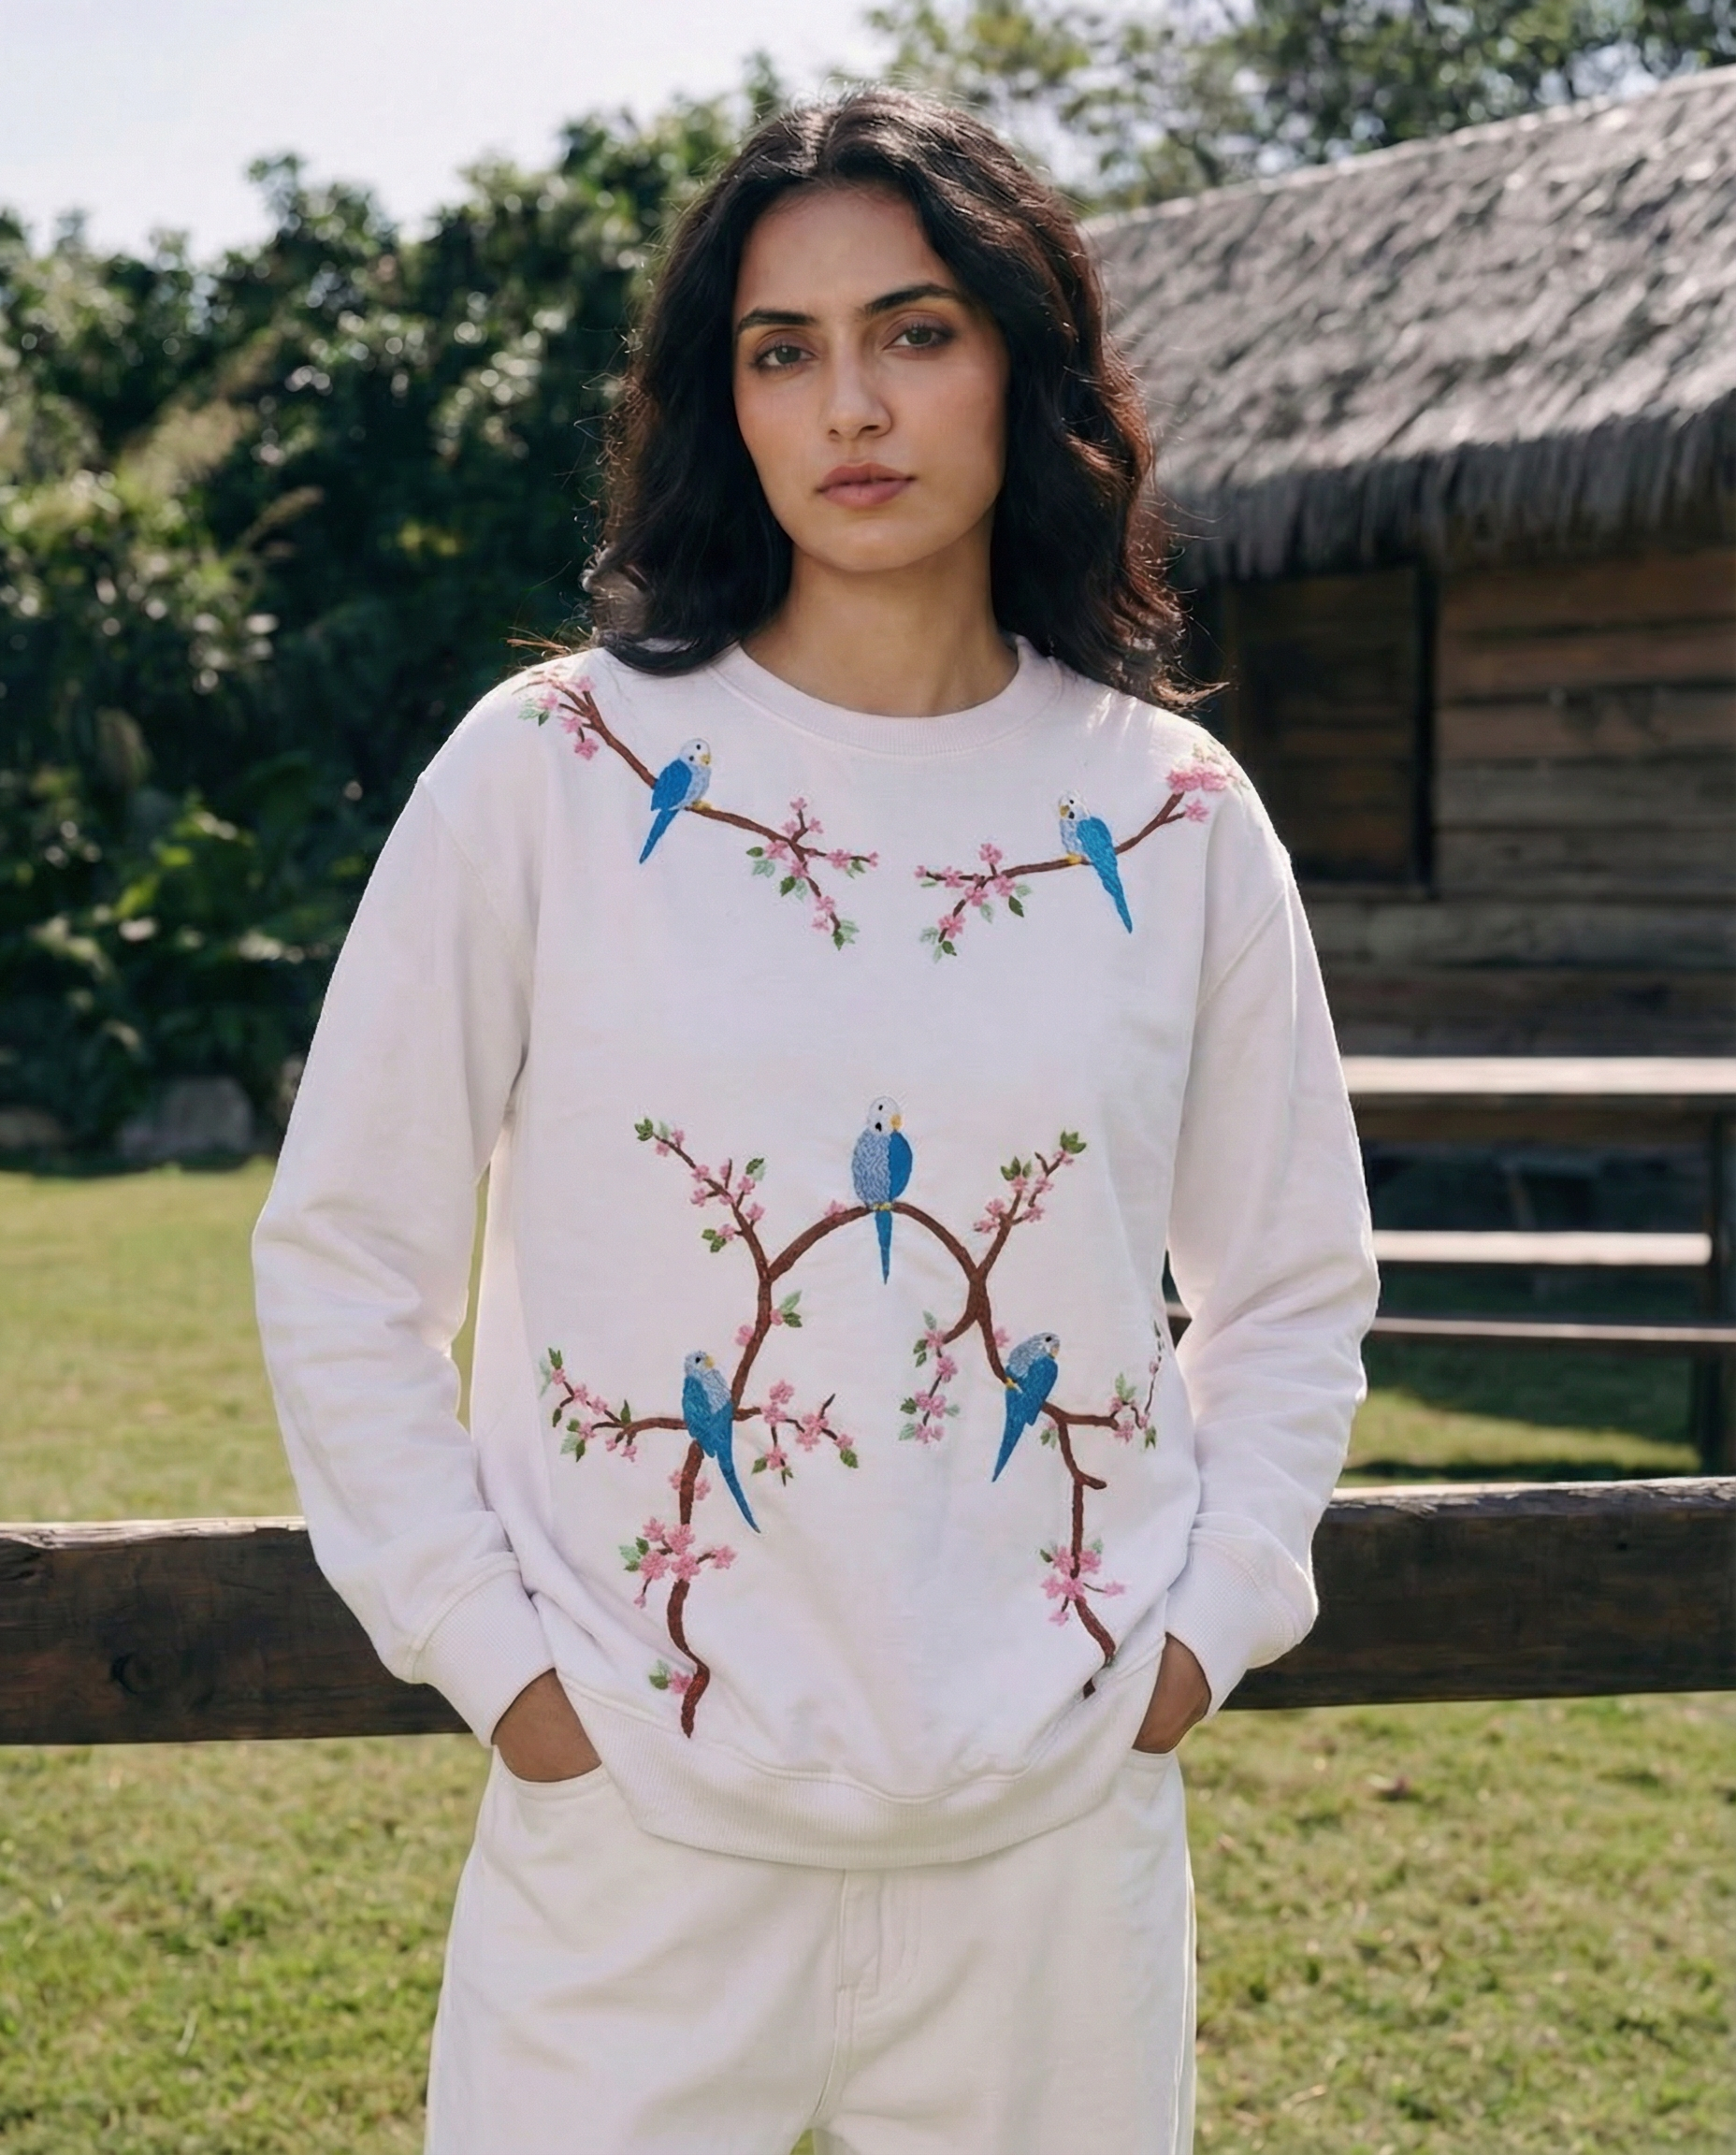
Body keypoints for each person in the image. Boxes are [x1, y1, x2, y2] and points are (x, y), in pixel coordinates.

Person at [253, 86, 1377, 2155]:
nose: (849, 403)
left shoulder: (1174, 818)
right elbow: (342, 1264)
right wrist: (516, 1681)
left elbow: (1293, 1293)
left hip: (1052, 1857)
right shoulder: (552, 771)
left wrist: (1192, 1654)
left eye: (915, 330)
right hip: (632, 1852)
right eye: (784, 350)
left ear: (1025, 367)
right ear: (724, 401)